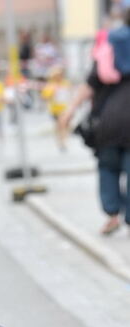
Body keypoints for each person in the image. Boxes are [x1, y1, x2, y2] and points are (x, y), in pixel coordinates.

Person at [60, 16, 130, 235]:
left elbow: (90, 84)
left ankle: (112, 214)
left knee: (108, 167)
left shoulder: (109, 47)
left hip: (106, 122)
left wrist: (70, 110)